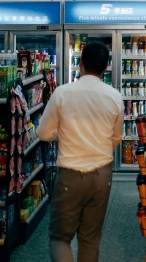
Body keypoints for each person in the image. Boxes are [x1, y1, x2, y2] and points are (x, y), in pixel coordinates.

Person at [38, 41, 123, 262]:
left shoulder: (62, 93)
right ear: (106, 67)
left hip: (70, 175)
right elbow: (116, 139)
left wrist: (64, 133)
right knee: (90, 239)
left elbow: (43, 133)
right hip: (102, 175)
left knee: (60, 238)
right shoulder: (115, 97)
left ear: (81, 63)